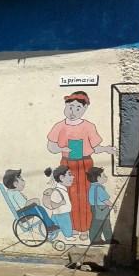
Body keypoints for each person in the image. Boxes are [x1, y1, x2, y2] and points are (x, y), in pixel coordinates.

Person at [46, 91, 117, 241]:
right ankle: (72, 227)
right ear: (65, 106)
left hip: (85, 164)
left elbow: (95, 147)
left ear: (84, 109)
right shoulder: (59, 126)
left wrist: (106, 149)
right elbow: (51, 146)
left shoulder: (89, 126)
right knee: (69, 196)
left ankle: (85, 228)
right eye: (70, 107)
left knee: (85, 196)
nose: (73, 111)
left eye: (78, 108)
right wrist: (62, 149)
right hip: (67, 165)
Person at [2, 169, 59, 233]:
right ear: (15, 184)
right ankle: (49, 226)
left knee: (38, 208)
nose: (24, 181)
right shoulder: (15, 193)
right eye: (22, 180)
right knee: (40, 209)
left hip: (20, 213)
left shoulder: (10, 192)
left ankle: (49, 225)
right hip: (22, 213)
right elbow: (23, 205)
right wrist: (34, 201)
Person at [87, 167, 119, 245]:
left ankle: (97, 239)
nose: (106, 177)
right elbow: (105, 200)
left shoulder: (92, 187)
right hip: (101, 208)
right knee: (104, 224)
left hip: (95, 208)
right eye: (104, 175)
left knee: (97, 224)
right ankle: (104, 239)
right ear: (98, 178)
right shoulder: (99, 188)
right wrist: (113, 205)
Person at [44, 165, 76, 242]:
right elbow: (53, 204)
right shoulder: (57, 191)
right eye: (69, 174)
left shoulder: (62, 189)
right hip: (62, 214)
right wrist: (61, 203)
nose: (73, 177)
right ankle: (68, 236)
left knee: (57, 226)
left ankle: (52, 235)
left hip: (58, 214)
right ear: (61, 178)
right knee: (66, 225)